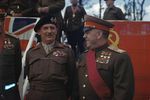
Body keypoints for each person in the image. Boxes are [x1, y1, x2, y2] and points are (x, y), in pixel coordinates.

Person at [77, 15, 134, 100]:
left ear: (99, 34)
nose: (84, 36)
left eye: (87, 32)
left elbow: (123, 95)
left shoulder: (120, 57)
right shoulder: (83, 56)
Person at [25, 15, 76, 100]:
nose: (49, 31)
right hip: (35, 95)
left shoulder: (67, 51)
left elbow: (72, 78)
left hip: (58, 95)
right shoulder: (31, 53)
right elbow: (28, 74)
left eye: (52, 28)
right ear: (39, 31)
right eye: (45, 28)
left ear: (56, 31)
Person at [0, 3, 22, 100]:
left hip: (9, 93)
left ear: (3, 20)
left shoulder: (14, 41)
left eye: (0, 19)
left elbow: (17, 69)